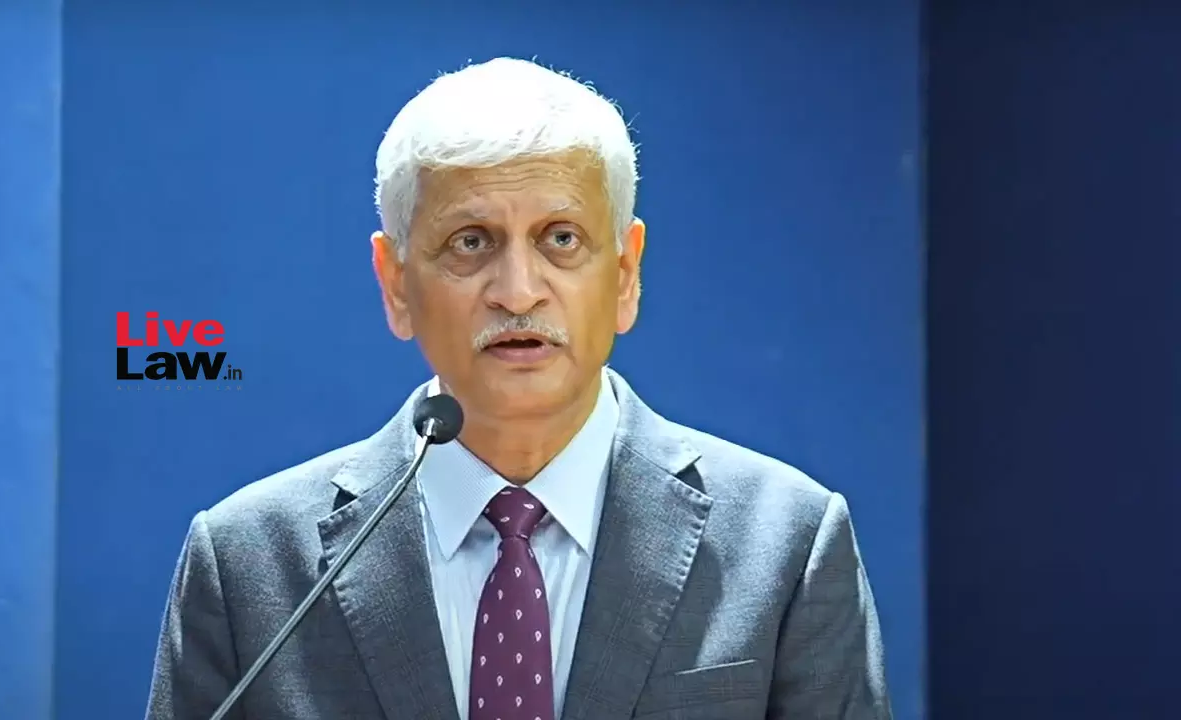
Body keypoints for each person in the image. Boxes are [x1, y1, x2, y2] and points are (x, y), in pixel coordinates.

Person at [146, 57, 891, 720]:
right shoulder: (248, 564)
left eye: (561, 238)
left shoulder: (785, 543)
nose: (518, 290)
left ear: (625, 274)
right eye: (470, 243)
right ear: (396, 284)